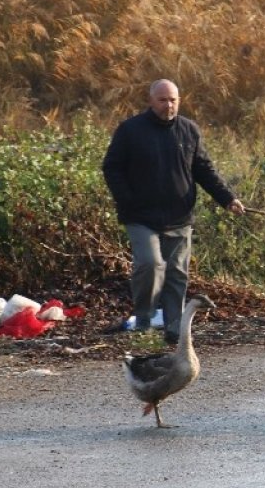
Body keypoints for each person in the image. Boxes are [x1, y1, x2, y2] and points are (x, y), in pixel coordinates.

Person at [102, 79, 246, 345]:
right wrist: (127, 199)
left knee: (177, 273)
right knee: (150, 264)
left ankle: (173, 328)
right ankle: (143, 320)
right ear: (150, 101)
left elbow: (203, 170)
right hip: (140, 217)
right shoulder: (130, 130)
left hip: (180, 216)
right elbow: (111, 168)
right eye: (162, 100)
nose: (168, 105)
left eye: (173, 100)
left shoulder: (189, 130)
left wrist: (227, 199)